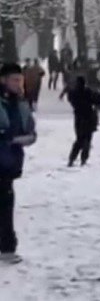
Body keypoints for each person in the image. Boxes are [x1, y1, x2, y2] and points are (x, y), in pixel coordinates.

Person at [0, 62, 37, 263]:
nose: (18, 84)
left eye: (20, 80)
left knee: (6, 203)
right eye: (14, 80)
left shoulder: (21, 103)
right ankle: (6, 246)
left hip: (10, 163)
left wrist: (28, 137)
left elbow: (29, 128)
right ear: (3, 80)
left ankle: (7, 247)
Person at [66, 75, 100, 167]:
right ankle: (83, 159)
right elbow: (97, 100)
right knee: (87, 139)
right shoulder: (88, 92)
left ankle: (72, 158)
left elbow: (70, 99)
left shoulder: (74, 93)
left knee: (79, 139)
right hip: (89, 117)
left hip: (78, 118)